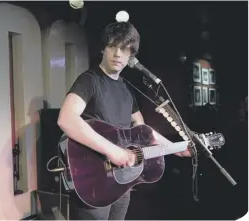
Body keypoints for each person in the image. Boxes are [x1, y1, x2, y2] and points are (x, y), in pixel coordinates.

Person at [57, 19, 191, 220]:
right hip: (94, 178)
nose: (118, 54)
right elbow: (66, 119)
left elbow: (142, 129)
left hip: (121, 179)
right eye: (113, 46)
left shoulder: (127, 89)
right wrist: (112, 151)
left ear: (131, 55)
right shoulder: (90, 80)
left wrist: (177, 147)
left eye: (125, 49)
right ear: (103, 48)